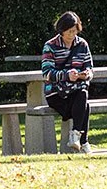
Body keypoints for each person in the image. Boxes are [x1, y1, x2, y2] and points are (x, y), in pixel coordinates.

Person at [40, 10, 94, 153]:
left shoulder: (82, 45)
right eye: (69, 31)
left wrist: (85, 74)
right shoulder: (50, 46)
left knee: (82, 94)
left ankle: (76, 136)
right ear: (61, 30)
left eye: (75, 31)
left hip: (76, 90)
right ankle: (83, 141)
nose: (72, 35)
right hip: (56, 94)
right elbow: (47, 73)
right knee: (85, 106)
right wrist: (66, 75)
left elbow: (89, 67)